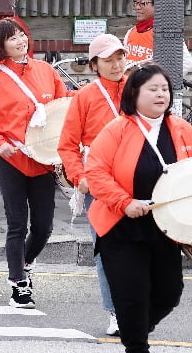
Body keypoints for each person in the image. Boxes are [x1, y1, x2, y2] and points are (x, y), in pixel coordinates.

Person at [85, 62, 192, 353]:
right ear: (134, 93)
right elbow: (95, 172)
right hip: (121, 228)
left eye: (165, 89)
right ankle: (136, 342)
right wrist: (124, 202)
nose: (161, 95)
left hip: (166, 227)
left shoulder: (180, 128)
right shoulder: (117, 129)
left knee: (170, 292)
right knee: (131, 297)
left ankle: (136, 331)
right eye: (153, 89)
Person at [0, 17, 71, 309]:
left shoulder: (46, 72)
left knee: (44, 227)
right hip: (12, 160)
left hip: (42, 162)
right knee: (16, 223)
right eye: (12, 38)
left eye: (21, 35)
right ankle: (18, 283)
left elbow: (62, 110)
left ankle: (26, 261)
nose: (20, 41)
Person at [57, 33, 128, 336]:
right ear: (95, 64)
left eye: (120, 57)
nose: (116, 64)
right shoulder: (85, 96)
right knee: (108, 249)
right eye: (108, 59)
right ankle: (116, 312)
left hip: (137, 180)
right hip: (98, 184)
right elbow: (68, 144)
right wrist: (80, 177)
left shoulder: (137, 88)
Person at [124, 0, 192, 76]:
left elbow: (186, 63)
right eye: (136, 3)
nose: (137, 7)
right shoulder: (131, 32)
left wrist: (157, 82)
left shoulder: (165, 32)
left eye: (142, 3)